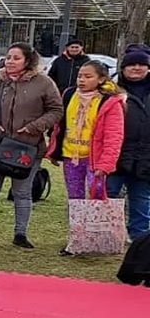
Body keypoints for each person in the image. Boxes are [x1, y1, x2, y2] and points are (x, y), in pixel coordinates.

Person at [0, 42, 64, 249]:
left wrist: (34, 127)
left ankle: (20, 234)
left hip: (27, 148)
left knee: (22, 193)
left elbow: (56, 110)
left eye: (16, 58)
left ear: (28, 61)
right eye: (8, 57)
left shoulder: (44, 83)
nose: (10, 61)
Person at [48, 60, 125, 253]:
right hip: (71, 156)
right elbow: (60, 125)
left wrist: (105, 165)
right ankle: (77, 240)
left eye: (88, 76)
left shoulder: (110, 102)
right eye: (80, 76)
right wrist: (54, 150)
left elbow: (114, 136)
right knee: (75, 200)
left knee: (96, 197)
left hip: (94, 160)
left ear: (101, 79)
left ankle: (99, 238)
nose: (82, 80)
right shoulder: (69, 94)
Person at [109, 47, 150, 240]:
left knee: (141, 200)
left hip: (145, 156)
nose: (136, 68)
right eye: (131, 64)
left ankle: (139, 240)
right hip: (115, 154)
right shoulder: (111, 92)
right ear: (123, 68)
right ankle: (104, 235)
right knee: (108, 194)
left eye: (141, 64)